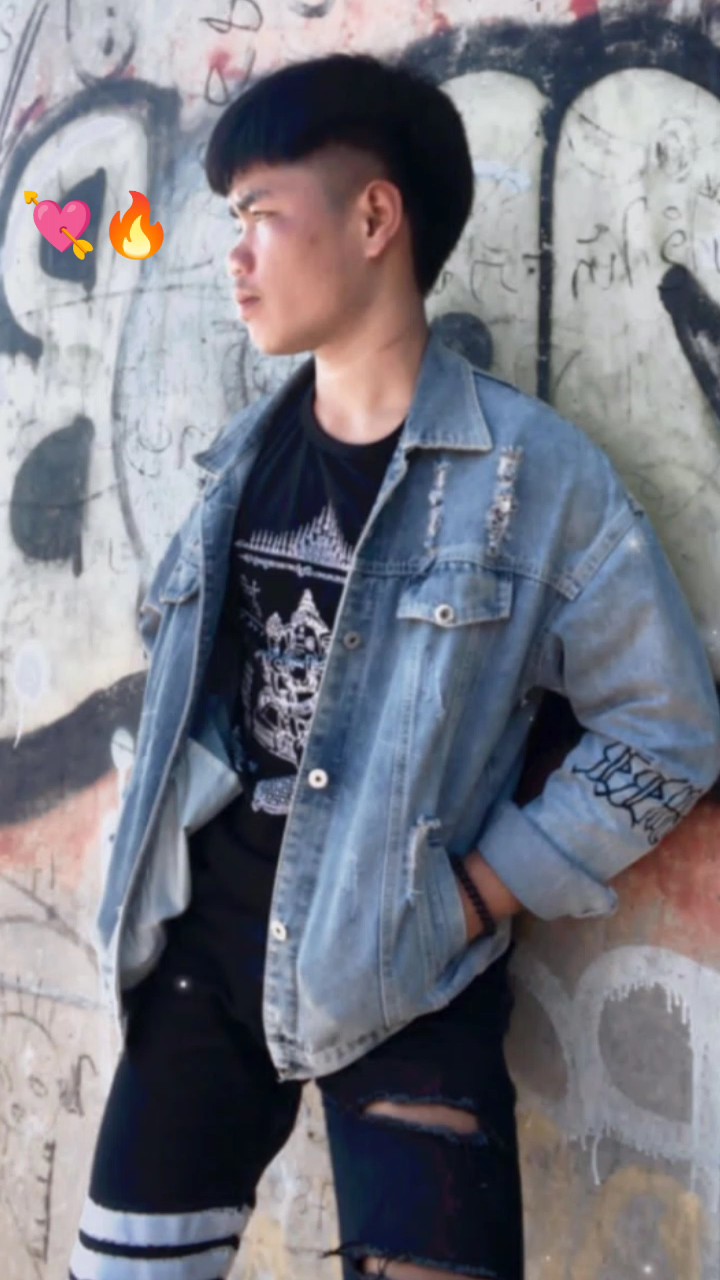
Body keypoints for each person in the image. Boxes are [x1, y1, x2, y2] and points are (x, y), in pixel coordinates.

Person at [69, 51, 720, 1280]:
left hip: (409, 977)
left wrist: (476, 892)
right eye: (232, 223)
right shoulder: (235, 464)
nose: (235, 256)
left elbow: (668, 726)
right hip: (201, 963)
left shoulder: (534, 480)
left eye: (261, 214)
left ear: (375, 217)